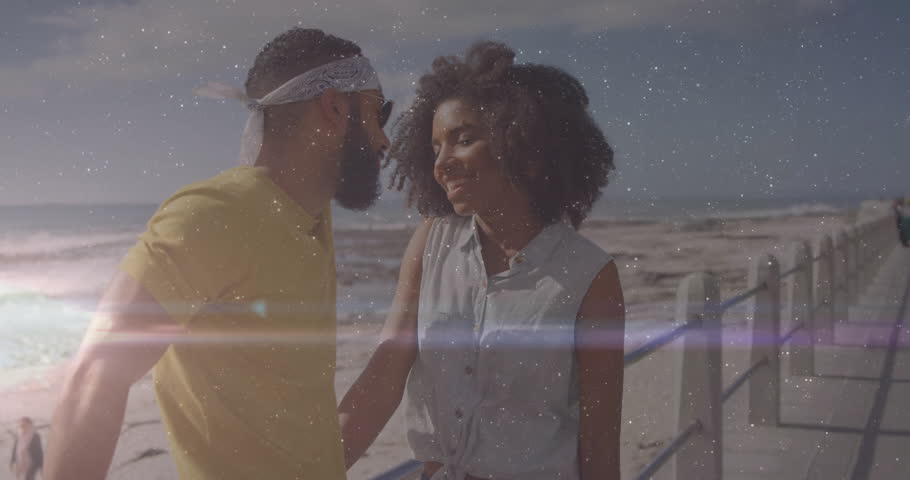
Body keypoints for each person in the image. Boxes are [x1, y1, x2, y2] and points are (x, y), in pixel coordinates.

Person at [44, 28, 391, 480]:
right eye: (378, 113)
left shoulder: (308, 213)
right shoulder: (214, 215)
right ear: (336, 107)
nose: (384, 139)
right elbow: (96, 376)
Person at [339, 42, 625, 480]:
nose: (442, 164)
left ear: (526, 147)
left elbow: (599, 442)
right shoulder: (432, 240)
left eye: (464, 140)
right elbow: (384, 376)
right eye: (435, 147)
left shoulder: (590, 276)